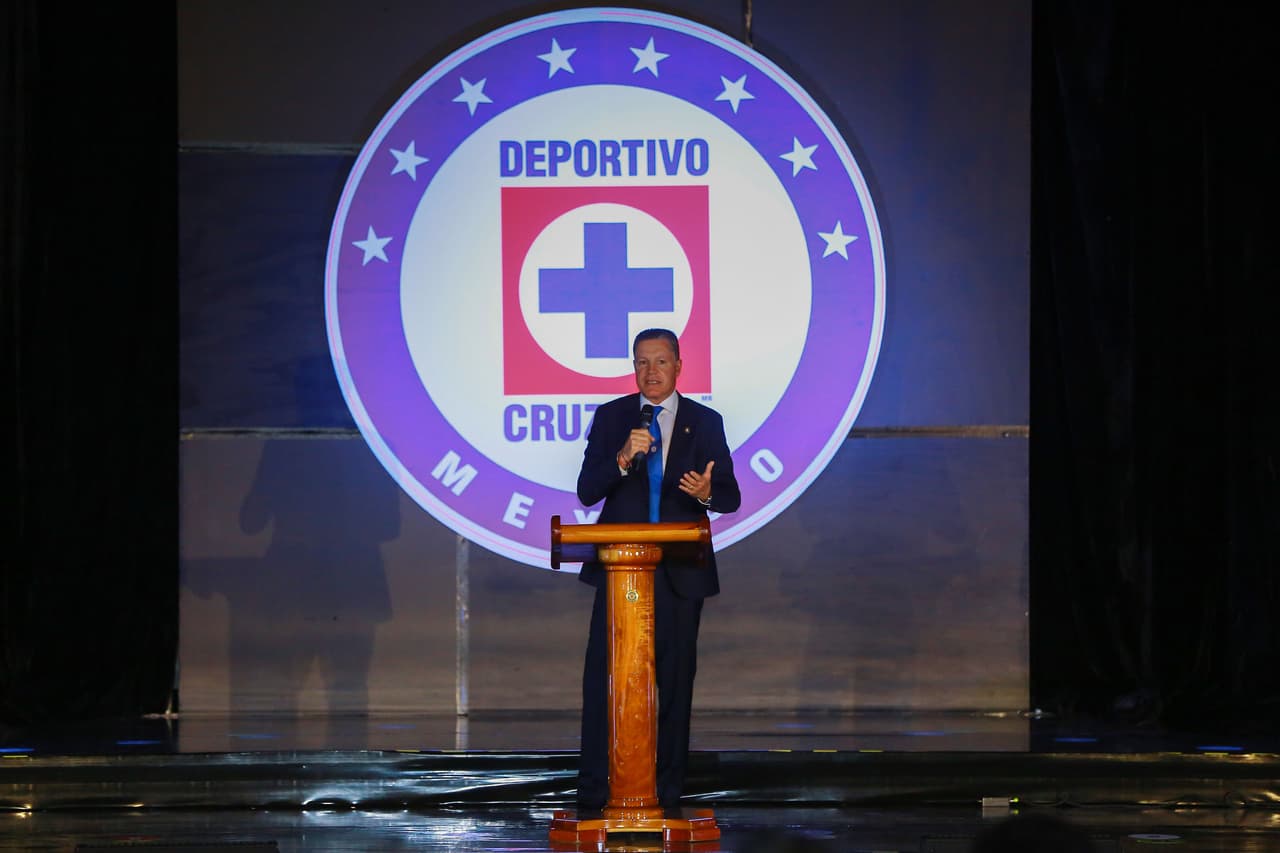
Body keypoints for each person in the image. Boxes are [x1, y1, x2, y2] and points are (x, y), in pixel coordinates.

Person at [574, 328, 741, 812]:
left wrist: (706, 492)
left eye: (661, 362)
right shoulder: (612, 418)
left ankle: (666, 795)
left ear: (678, 366)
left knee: (673, 684)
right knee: (605, 682)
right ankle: (595, 794)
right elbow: (587, 490)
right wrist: (622, 458)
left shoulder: (705, 422)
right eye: (642, 362)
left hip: (678, 573)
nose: (651, 372)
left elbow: (729, 496)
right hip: (620, 571)